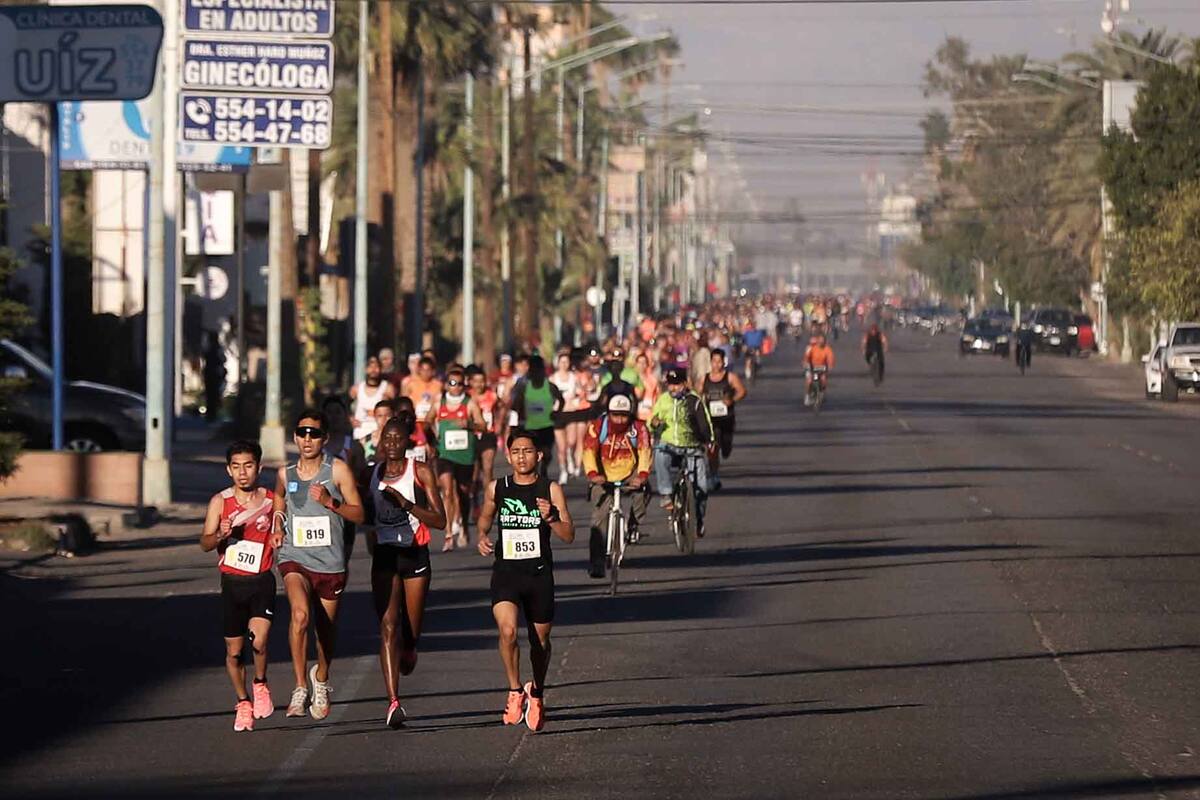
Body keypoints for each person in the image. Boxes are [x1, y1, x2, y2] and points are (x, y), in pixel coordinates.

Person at [475, 429, 575, 732]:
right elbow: (485, 517)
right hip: (506, 572)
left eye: (527, 451)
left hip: (539, 574)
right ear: (508, 456)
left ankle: (537, 692)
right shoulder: (498, 487)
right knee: (507, 631)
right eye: (516, 451)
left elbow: (569, 535)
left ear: (539, 455)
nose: (522, 457)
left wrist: (551, 518)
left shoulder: (550, 489)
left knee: (539, 642)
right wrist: (482, 535)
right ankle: (515, 690)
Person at [271, 410, 366, 721]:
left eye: (314, 433)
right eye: (302, 433)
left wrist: (330, 502)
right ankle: (300, 687)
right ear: (295, 437)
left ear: (325, 438)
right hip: (294, 557)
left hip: (330, 562)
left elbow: (359, 514)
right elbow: (279, 499)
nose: (307, 439)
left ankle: (321, 678)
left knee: (325, 630)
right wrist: (277, 524)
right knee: (300, 616)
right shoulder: (285, 473)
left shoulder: (337, 470)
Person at [366, 417, 446, 728]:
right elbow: (362, 512)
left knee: (410, 633)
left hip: (414, 554)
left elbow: (440, 520)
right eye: (387, 439)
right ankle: (393, 702)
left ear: (407, 442)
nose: (391, 444)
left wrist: (406, 504)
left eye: (397, 439)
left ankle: (410, 648)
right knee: (388, 626)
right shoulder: (372, 473)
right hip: (385, 556)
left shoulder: (420, 471)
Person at [200, 440, 277, 732]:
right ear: (228, 470)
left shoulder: (271, 501)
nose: (242, 473)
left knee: (258, 641)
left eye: (248, 466)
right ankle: (243, 702)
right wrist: (220, 535)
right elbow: (205, 543)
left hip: (261, 580)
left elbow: (284, 524)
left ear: (259, 467)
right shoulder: (220, 502)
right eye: (236, 467)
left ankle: (260, 683)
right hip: (232, 584)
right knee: (234, 652)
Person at [581, 392, 652, 579]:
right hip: (603, 476)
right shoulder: (597, 427)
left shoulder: (639, 428)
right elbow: (588, 451)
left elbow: (645, 452)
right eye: (615, 415)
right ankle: (597, 563)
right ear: (609, 413)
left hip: (630, 474)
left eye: (623, 416)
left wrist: (642, 476)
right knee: (598, 520)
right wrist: (593, 474)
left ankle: (633, 526)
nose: (619, 420)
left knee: (644, 493)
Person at [425, 367, 486, 551]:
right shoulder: (439, 403)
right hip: (445, 454)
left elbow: (483, 426)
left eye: (460, 384)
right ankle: (449, 534)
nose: (456, 387)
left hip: (464, 456)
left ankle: (464, 526)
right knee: (448, 491)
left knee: (463, 493)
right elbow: (427, 422)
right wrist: (432, 437)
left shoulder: (470, 403)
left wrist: (469, 424)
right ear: (446, 385)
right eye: (452, 383)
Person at [649, 368, 715, 535]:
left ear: (685, 384)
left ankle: (699, 518)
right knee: (659, 454)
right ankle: (666, 494)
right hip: (669, 444)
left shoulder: (694, 400)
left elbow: (705, 422)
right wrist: (654, 423)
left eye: (677, 384)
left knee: (701, 488)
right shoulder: (663, 400)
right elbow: (651, 419)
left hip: (692, 446)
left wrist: (709, 440)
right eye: (670, 384)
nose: (673, 388)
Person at [508, 354, 562, 476]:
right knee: (533, 452)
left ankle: (543, 469)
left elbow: (561, 399)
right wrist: (521, 414)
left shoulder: (550, 386)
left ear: (543, 370)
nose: (537, 372)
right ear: (530, 370)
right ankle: (535, 475)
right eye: (534, 369)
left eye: (539, 369)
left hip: (546, 425)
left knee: (547, 453)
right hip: (529, 427)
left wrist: (556, 412)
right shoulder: (523, 386)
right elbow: (514, 405)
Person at [701, 349, 747, 487]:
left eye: (719, 361)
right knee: (713, 447)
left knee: (725, 449)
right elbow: (697, 394)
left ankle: (727, 447)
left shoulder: (730, 377)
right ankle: (714, 475)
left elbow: (742, 391)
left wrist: (731, 400)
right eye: (714, 361)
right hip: (711, 420)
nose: (717, 364)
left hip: (726, 419)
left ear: (723, 362)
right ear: (710, 362)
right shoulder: (704, 379)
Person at [468, 366, 503, 485]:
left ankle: (488, 495)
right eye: (476, 381)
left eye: (482, 381)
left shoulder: (492, 395)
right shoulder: (467, 396)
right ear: (470, 382)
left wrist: (499, 423)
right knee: (474, 471)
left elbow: (501, 408)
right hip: (471, 436)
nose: (479, 384)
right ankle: (473, 494)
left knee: (488, 468)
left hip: (488, 434)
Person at [549, 353, 579, 485]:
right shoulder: (553, 378)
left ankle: (569, 455)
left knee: (571, 441)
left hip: (571, 412)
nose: (564, 364)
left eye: (566, 362)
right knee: (561, 447)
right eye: (562, 362)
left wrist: (577, 397)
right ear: (558, 363)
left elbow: (580, 392)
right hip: (558, 414)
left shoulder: (574, 377)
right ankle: (563, 471)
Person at [350, 356, 396, 441]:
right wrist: (350, 419)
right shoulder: (356, 389)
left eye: (376, 367)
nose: (373, 370)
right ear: (366, 369)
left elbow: (395, 409)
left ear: (381, 369)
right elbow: (345, 407)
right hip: (359, 433)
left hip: (380, 434)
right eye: (370, 366)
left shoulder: (388, 388)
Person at [405, 357, 444, 423]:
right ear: (419, 370)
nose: (425, 373)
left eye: (428, 370)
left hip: (433, 419)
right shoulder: (411, 384)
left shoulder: (439, 385)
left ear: (433, 371)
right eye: (423, 370)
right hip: (416, 419)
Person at [803, 331, 836, 405]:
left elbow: (831, 358)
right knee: (810, 381)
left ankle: (822, 392)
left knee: (823, 380)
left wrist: (830, 365)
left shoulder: (827, 349)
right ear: (817, 340)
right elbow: (806, 357)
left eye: (823, 340)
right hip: (812, 367)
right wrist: (806, 364)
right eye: (820, 340)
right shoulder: (812, 348)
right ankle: (808, 395)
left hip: (822, 368)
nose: (821, 342)